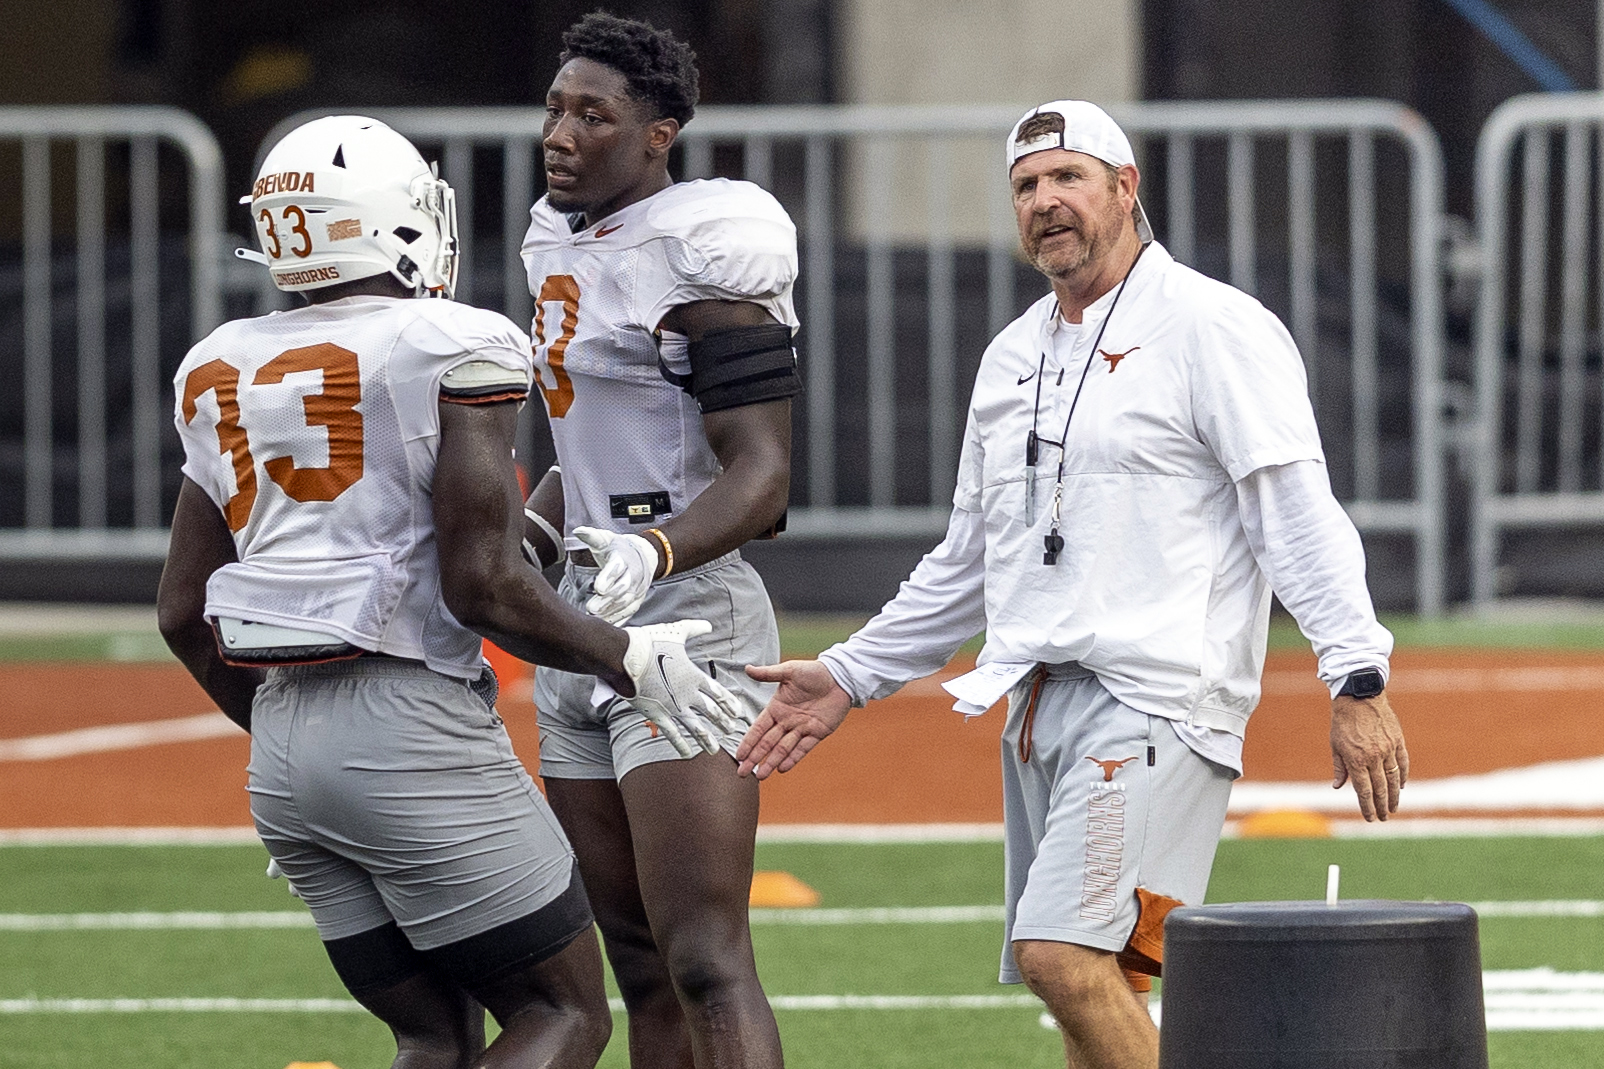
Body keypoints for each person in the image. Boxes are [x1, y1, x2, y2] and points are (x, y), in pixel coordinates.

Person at [735, 100, 1410, 1069]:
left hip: (1159, 698)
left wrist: (1356, 675)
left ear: (1125, 188)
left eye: (1067, 177)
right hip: (1037, 705)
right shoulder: (1012, 353)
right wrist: (850, 673)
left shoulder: (1213, 326)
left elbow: (1293, 510)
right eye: (1025, 185)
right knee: (1098, 986)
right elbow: (968, 558)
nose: (1044, 200)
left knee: (1059, 956)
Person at [157, 114, 747, 1069]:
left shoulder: (215, 361)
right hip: (407, 722)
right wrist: (628, 654)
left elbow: (182, 611)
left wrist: (294, 748)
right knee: (563, 1012)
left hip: (281, 741)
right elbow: (485, 586)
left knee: (433, 1036)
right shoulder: (450, 339)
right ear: (394, 221)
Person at [516, 12, 798, 1069]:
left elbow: (762, 474)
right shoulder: (556, 235)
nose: (561, 134)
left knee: (705, 959)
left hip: (687, 619)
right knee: (635, 963)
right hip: (580, 622)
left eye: (594, 116)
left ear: (658, 135)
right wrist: (532, 532)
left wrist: (656, 551)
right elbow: (587, 446)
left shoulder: (706, 244)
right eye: (555, 108)